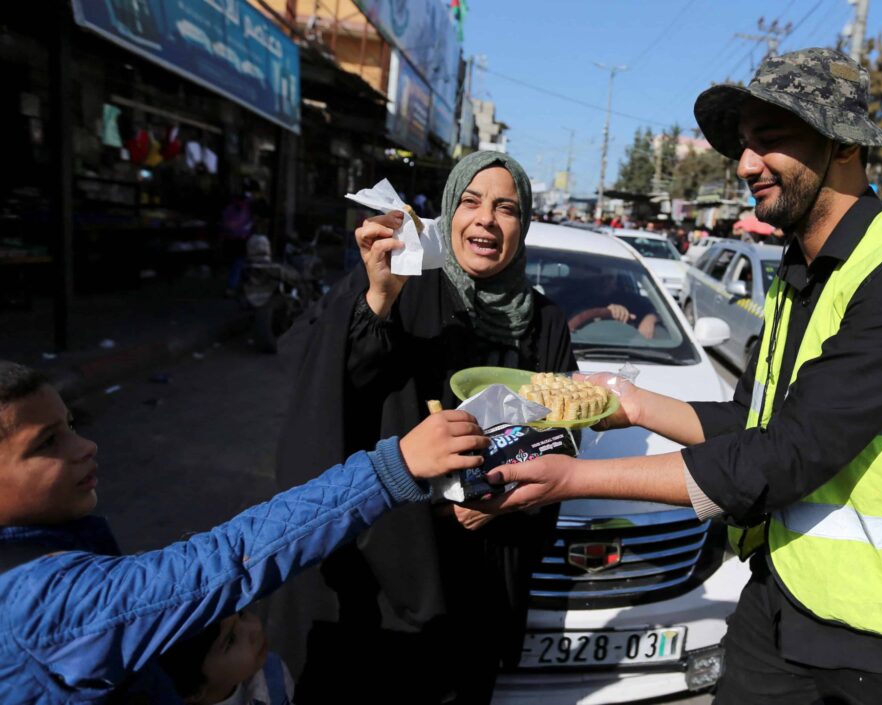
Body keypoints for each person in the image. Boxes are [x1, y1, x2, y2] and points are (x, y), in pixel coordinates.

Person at [472, 48, 882, 705]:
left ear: (841, 145)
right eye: (744, 144)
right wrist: (629, 403)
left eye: (770, 140)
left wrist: (571, 480)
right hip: (789, 596)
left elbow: (782, 454)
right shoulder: (800, 274)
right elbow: (752, 422)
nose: (746, 164)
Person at [0, 361, 487, 704]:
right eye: (47, 442)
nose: (85, 445)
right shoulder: (39, 604)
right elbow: (226, 562)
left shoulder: (42, 553)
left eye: (70, 425)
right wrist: (390, 470)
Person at [273, 151, 575, 703]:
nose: (486, 219)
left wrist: (500, 500)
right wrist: (380, 298)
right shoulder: (404, 285)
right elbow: (338, 390)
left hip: (485, 569)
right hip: (390, 567)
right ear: (447, 212)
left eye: (506, 207)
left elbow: (561, 436)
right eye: (471, 202)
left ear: (523, 224)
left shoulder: (543, 322)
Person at [160, 609, 294, 705]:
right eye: (231, 640)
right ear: (194, 691)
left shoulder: (271, 670)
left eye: (241, 613)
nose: (255, 627)